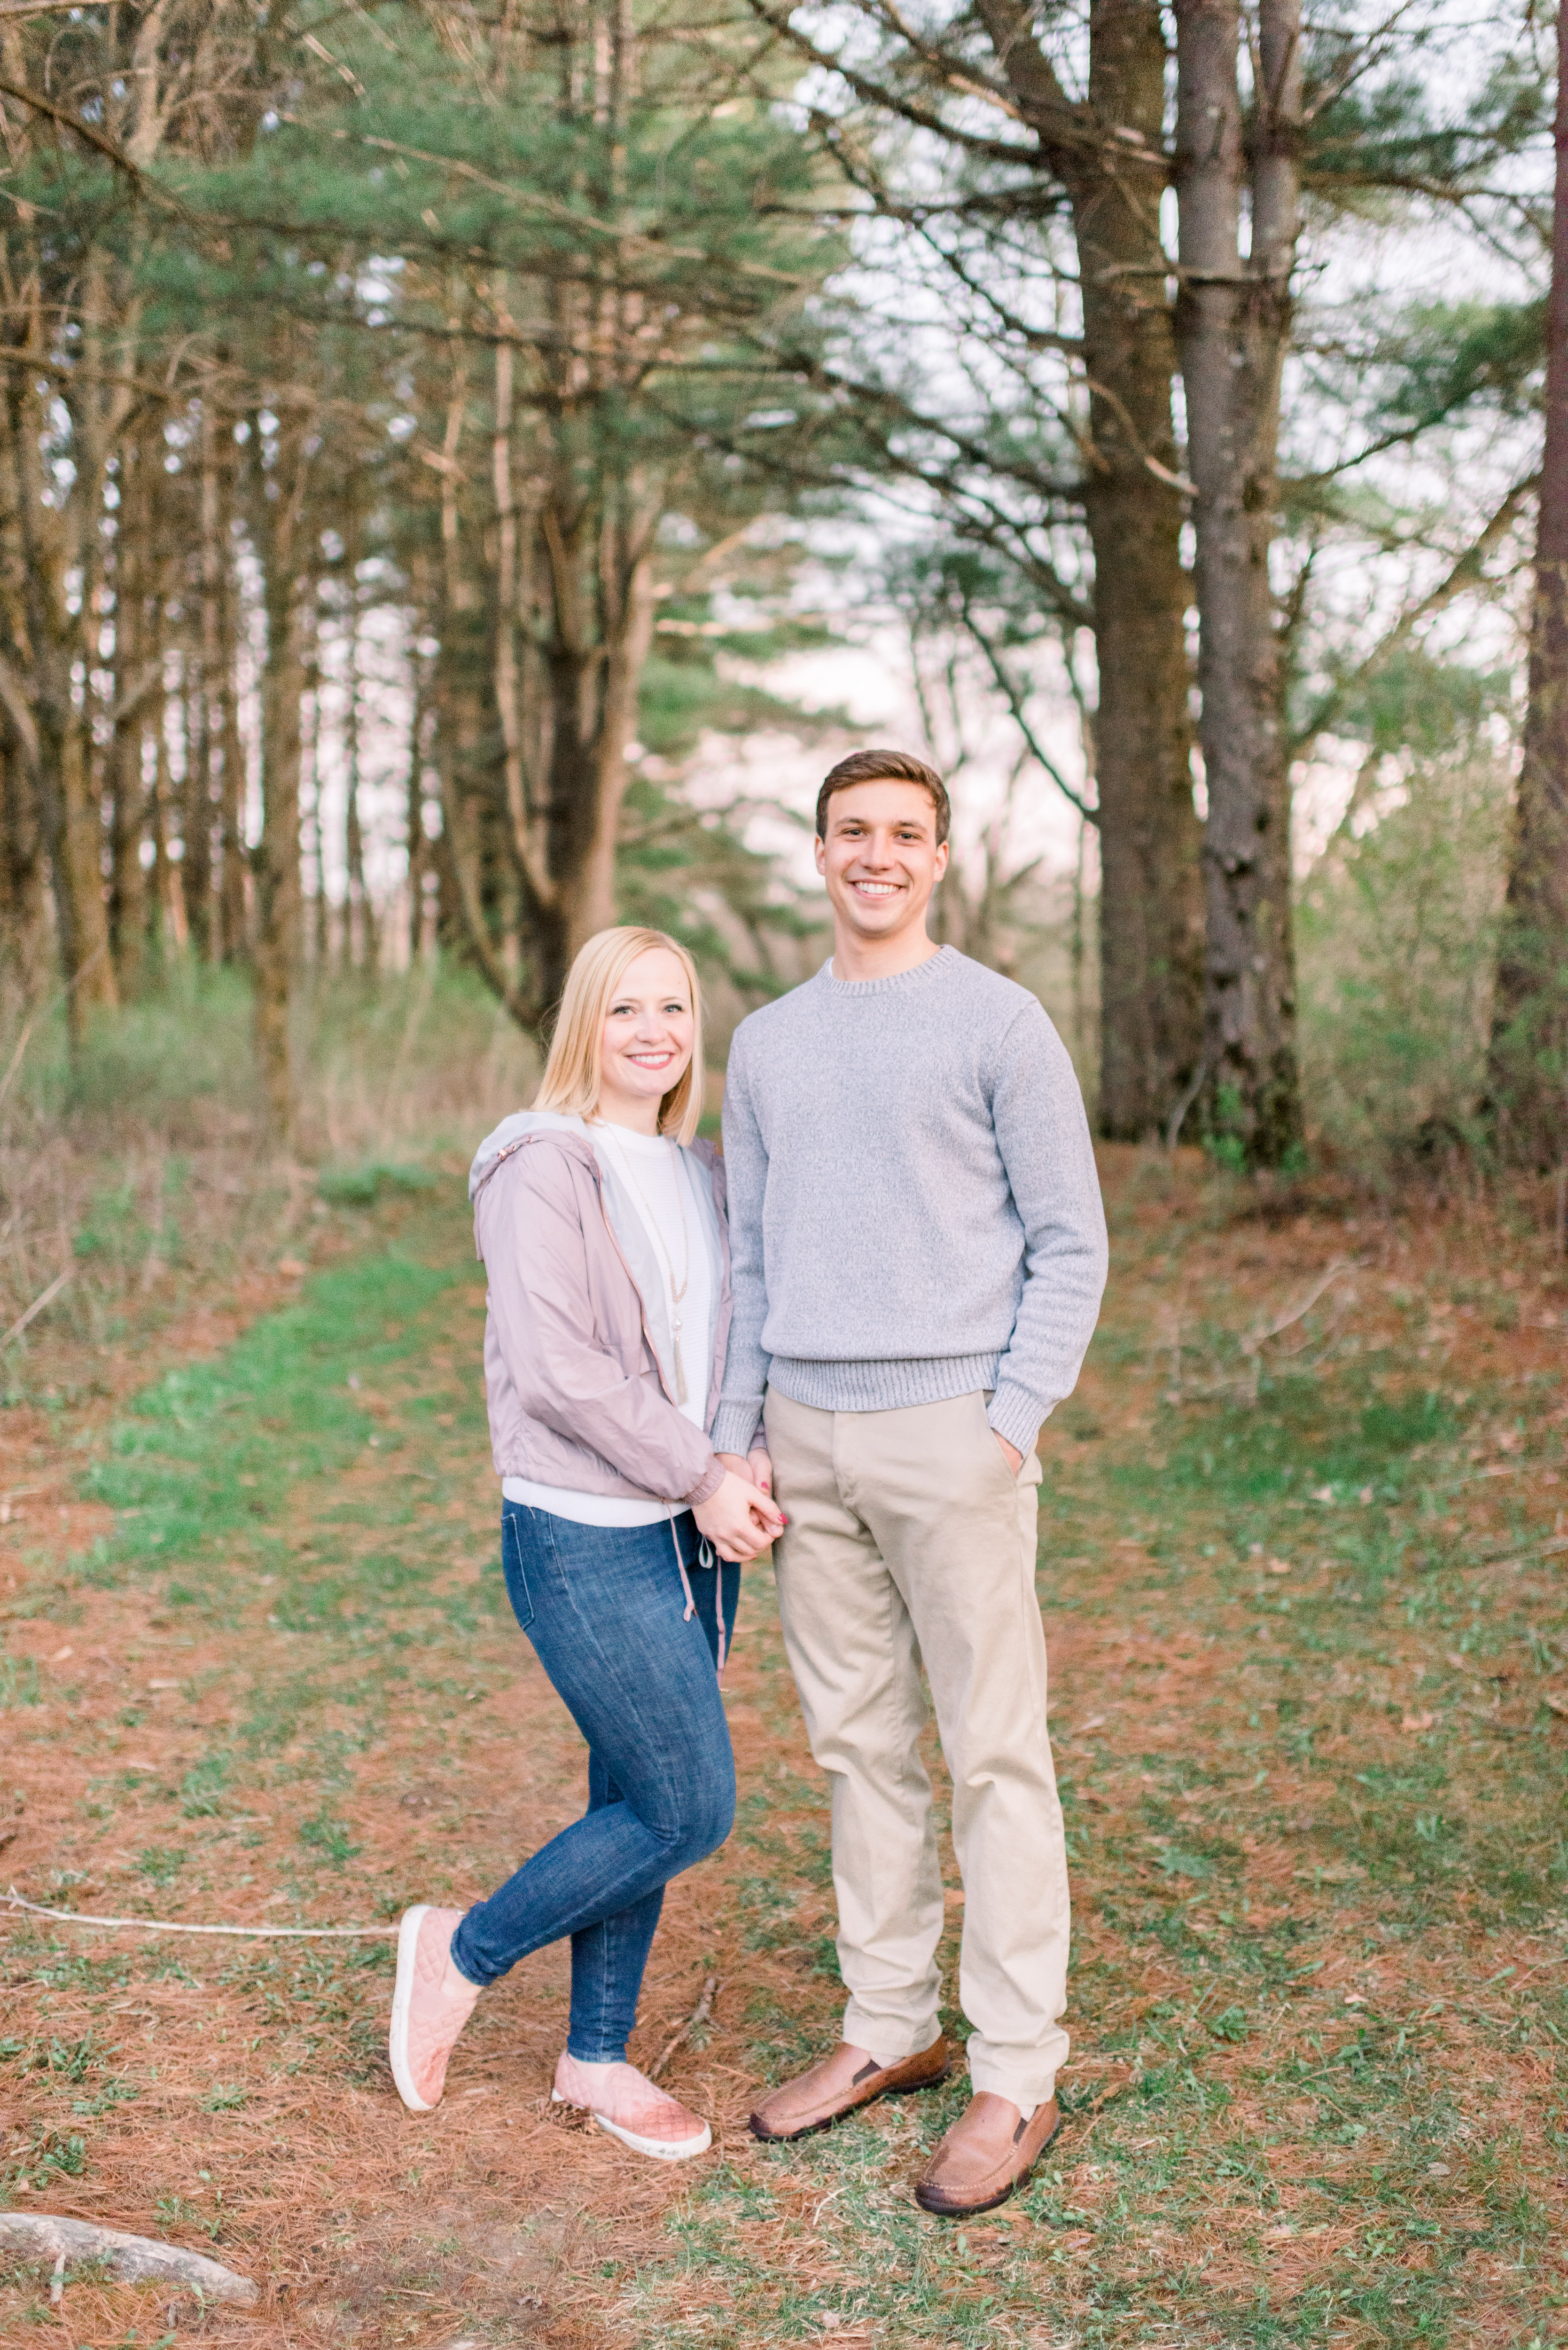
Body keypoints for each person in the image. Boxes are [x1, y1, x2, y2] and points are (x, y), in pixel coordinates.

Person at [713, 750, 1108, 2216]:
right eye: (851, 833)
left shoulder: (998, 1023)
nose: (875, 854)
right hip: (804, 1435)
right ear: (817, 853)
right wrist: (743, 1434)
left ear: (936, 857)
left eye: (903, 834)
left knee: (993, 1753)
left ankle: (1015, 2069)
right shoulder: (766, 1043)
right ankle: (888, 2029)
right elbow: (751, 1261)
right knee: (854, 1748)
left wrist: (1007, 1423)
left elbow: (1070, 1240)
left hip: (952, 1433)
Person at [389, 925, 782, 2163]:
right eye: (625, 1010)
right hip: (586, 1536)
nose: (653, 1032)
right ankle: (459, 1953)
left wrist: (743, 1456)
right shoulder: (538, 1164)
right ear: (584, 1026)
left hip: (694, 1537)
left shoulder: (705, 1170)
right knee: (687, 1803)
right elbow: (560, 1372)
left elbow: (738, 1333)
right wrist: (699, 1472)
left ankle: (594, 2060)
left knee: (634, 1792)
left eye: (673, 1007)